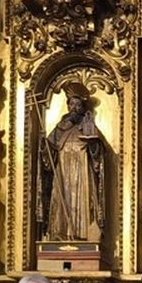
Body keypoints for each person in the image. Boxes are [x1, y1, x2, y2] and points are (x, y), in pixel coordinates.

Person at [40, 81, 107, 243]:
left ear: (83, 107)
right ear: (67, 106)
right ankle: (61, 234)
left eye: (78, 104)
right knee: (62, 203)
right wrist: (44, 144)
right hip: (63, 173)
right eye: (72, 104)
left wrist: (93, 145)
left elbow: (98, 153)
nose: (74, 108)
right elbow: (49, 152)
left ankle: (84, 236)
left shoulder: (88, 125)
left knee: (84, 202)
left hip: (82, 173)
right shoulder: (60, 128)